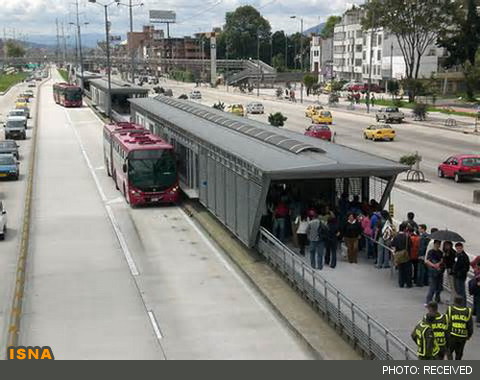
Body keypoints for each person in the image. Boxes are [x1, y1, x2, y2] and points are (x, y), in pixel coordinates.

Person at [425, 240, 444, 304]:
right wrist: (434, 265)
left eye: (439, 244)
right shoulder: (431, 252)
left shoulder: (440, 252)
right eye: (436, 244)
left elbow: (441, 260)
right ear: (434, 244)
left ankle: (437, 298)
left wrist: (439, 264)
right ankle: (428, 300)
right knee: (432, 287)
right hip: (432, 271)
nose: (438, 245)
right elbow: (427, 261)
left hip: (439, 271)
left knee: (439, 286)